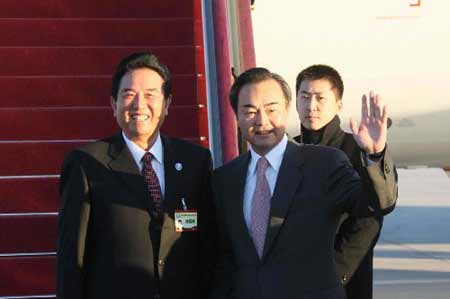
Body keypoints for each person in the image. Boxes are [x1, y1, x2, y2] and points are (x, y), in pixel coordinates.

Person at [210, 67, 397, 299]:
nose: (262, 120)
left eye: (271, 109)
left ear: (288, 110)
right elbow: (223, 257)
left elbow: (376, 205)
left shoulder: (324, 164)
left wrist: (374, 155)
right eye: (249, 111)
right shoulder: (224, 179)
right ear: (236, 116)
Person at [57, 52, 216, 299]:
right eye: (128, 94)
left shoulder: (196, 161)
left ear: (167, 104)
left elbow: (206, 245)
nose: (139, 105)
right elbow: (71, 256)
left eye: (150, 95)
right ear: (113, 104)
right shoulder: (85, 164)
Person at [295, 64, 390, 299]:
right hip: (293, 280)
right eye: (304, 97)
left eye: (320, 98)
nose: (311, 106)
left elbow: (369, 221)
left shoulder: (356, 148)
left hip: (342, 282)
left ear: (338, 104)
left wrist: (334, 273)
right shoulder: (289, 150)